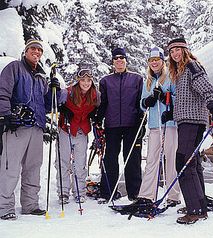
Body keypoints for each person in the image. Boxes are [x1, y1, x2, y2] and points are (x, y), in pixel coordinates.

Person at [0, 39, 61, 220]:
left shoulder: (41, 77)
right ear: (26, 51)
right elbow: (2, 91)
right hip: (17, 125)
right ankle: (4, 207)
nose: (36, 52)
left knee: (33, 167)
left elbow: (48, 105)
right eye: (33, 49)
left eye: (39, 50)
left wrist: (53, 90)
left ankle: (30, 204)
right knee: (10, 167)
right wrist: (5, 115)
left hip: (36, 127)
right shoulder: (15, 68)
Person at [167, 38, 213, 224]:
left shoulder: (192, 67)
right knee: (193, 163)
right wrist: (171, 114)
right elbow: (186, 98)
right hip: (187, 121)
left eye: (178, 49)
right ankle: (199, 203)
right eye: (172, 51)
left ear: (185, 50)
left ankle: (196, 209)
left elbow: (209, 89)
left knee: (183, 162)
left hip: (192, 122)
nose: (175, 53)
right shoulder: (182, 72)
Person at [132, 47, 181, 207]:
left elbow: (178, 98)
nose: (154, 63)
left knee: (171, 160)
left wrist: (165, 98)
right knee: (151, 161)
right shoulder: (148, 81)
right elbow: (142, 103)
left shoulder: (171, 77)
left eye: (157, 60)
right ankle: (147, 195)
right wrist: (147, 102)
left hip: (170, 125)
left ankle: (173, 196)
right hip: (154, 126)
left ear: (162, 61)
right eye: (151, 60)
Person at [96, 47, 144, 202]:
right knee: (110, 158)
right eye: (116, 58)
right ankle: (108, 192)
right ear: (112, 62)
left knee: (132, 158)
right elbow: (103, 103)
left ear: (126, 60)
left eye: (122, 58)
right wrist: (98, 118)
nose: (119, 61)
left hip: (132, 124)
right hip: (112, 125)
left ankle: (134, 192)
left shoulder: (137, 79)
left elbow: (140, 102)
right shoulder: (105, 81)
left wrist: (141, 122)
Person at [55, 69, 100, 204]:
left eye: (88, 80)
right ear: (78, 81)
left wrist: (96, 116)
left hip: (82, 131)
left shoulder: (95, 95)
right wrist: (62, 108)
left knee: (80, 164)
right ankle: (63, 192)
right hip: (66, 130)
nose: (86, 83)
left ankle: (79, 192)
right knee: (63, 162)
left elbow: (99, 109)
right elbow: (56, 103)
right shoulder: (67, 92)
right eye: (83, 80)